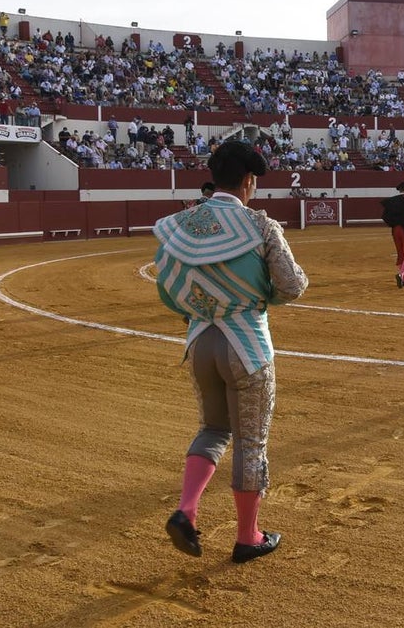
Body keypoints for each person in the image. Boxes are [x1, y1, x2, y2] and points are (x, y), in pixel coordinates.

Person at [153, 141, 308, 564]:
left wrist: (201, 306)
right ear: (249, 181)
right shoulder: (260, 226)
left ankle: (186, 511)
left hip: (199, 341)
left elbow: (167, 290)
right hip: (247, 343)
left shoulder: (180, 224)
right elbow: (292, 286)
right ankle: (247, 537)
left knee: (213, 429)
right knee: (250, 442)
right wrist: (257, 298)